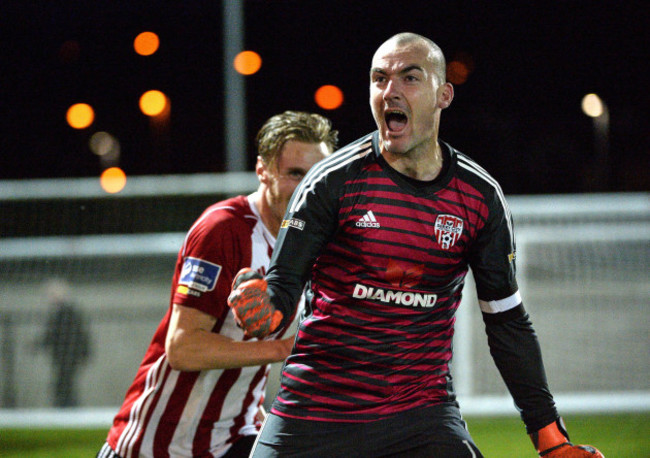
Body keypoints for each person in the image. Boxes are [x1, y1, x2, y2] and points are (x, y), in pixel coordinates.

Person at [228, 33, 604, 457]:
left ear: (443, 95)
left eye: (409, 77)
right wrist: (264, 309)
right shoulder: (331, 183)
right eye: (379, 78)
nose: (390, 90)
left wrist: (551, 440)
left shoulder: (478, 197)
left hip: (420, 415)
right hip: (315, 412)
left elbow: (507, 323)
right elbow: (280, 290)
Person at [97, 111, 338, 458]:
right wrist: (282, 350)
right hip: (159, 443)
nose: (306, 188)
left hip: (234, 435)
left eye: (316, 175)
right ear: (262, 171)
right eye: (294, 174)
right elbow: (182, 348)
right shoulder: (224, 230)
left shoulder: (315, 243)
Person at [36, 278, 92, 407]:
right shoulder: (64, 313)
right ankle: (66, 408)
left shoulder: (67, 313)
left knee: (64, 385)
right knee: (64, 385)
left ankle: (67, 408)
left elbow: (54, 335)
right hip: (64, 357)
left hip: (68, 357)